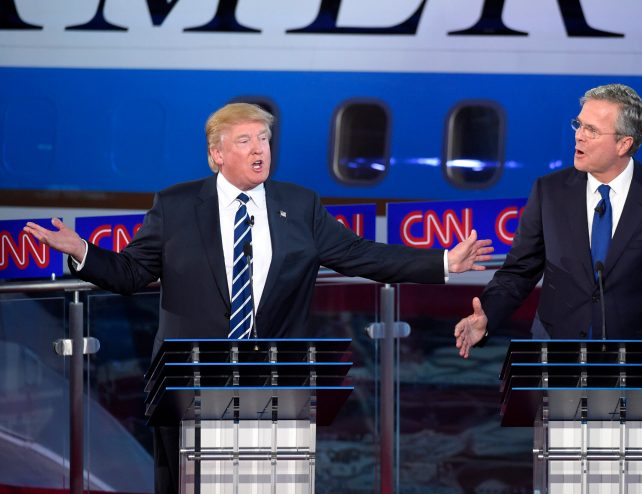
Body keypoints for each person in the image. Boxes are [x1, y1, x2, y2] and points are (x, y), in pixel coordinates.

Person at [24, 102, 493, 494]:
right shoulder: (176, 206)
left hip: (274, 387)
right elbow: (130, 273)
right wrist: (82, 252)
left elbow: (357, 254)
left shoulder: (300, 205)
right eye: (245, 140)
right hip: (191, 387)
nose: (259, 150)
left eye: (264, 140)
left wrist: (443, 263)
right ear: (216, 155)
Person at [453, 83, 642, 378]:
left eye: (592, 130)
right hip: (557, 359)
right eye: (579, 124)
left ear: (623, 143)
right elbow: (518, 271)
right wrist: (487, 317)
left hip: (635, 365)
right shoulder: (550, 191)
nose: (579, 135)